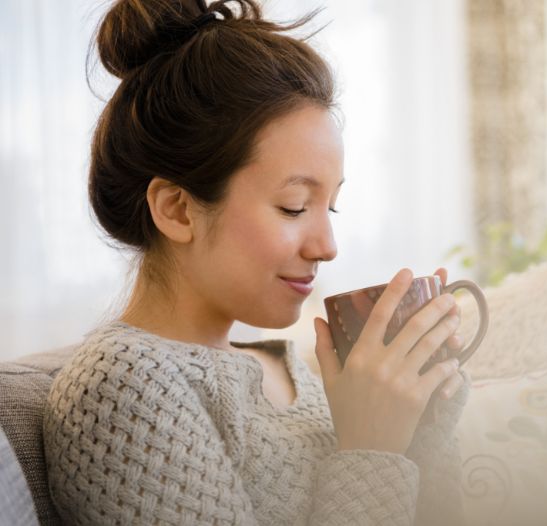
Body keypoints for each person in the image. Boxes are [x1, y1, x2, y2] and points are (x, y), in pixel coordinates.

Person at [43, 1, 471, 524]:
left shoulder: (292, 370)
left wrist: (418, 424)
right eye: (294, 206)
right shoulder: (121, 386)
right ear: (177, 210)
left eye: (329, 206)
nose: (327, 245)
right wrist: (372, 449)